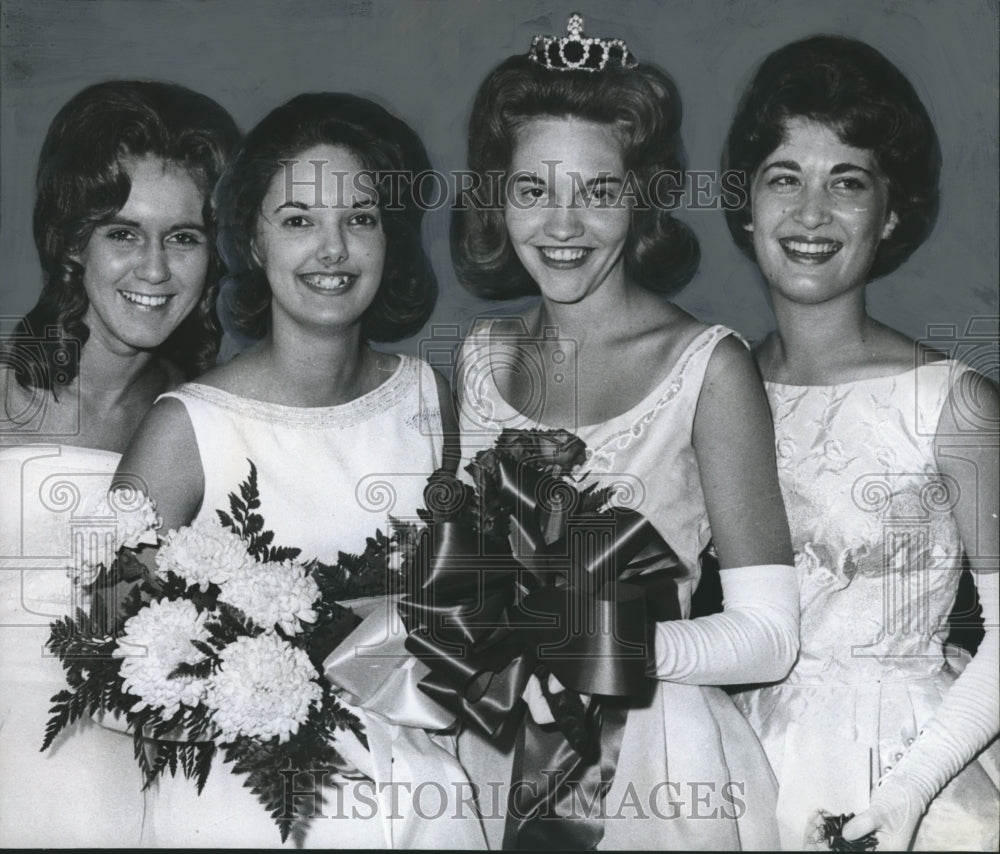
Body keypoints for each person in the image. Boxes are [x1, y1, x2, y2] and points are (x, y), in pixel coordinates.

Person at [450, 15, 799, 850]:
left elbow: (768, 636)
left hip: (653, 758)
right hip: (491, 747)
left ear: (640, 197)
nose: (562, 225)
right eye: (534, 190)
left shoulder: (707, 367)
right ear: (499, 198)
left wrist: (593, 644)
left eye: (598, 191)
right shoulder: (478, 358)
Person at [115, 92, 485, 848]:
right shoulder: (186, 427)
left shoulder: (426, 397)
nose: (332, 251)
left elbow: (454, 617)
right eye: (298, 221)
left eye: (360, 219)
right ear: (252, 242)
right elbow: (101, 648)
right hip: (242, 807)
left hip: (415, 802)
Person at [723, 34, 999, 851]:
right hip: (747, 757)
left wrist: (912, 790)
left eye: (848, 182)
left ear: (892, 211)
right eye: (785, 178)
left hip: (916, 764)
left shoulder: (954, 402)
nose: (812, 214)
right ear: (745, 203)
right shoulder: (714, 387)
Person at [0, 79, 239, 847]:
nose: (156, 270)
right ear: (73, 242)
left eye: (184, 236)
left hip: (115, 793)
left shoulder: (207, 424)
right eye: (123, 233)